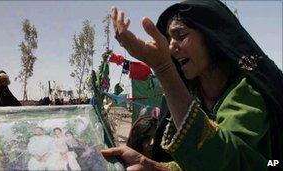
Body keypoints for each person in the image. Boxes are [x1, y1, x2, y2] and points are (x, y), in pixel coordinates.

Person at [101, 0, 283, 170]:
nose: (171, 47)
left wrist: (164, 69)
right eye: (168, 39)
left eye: (181, 35)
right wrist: (150, 165)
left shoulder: (248, 92)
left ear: (211, 37)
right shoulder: (194, 93)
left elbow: (225, 161)